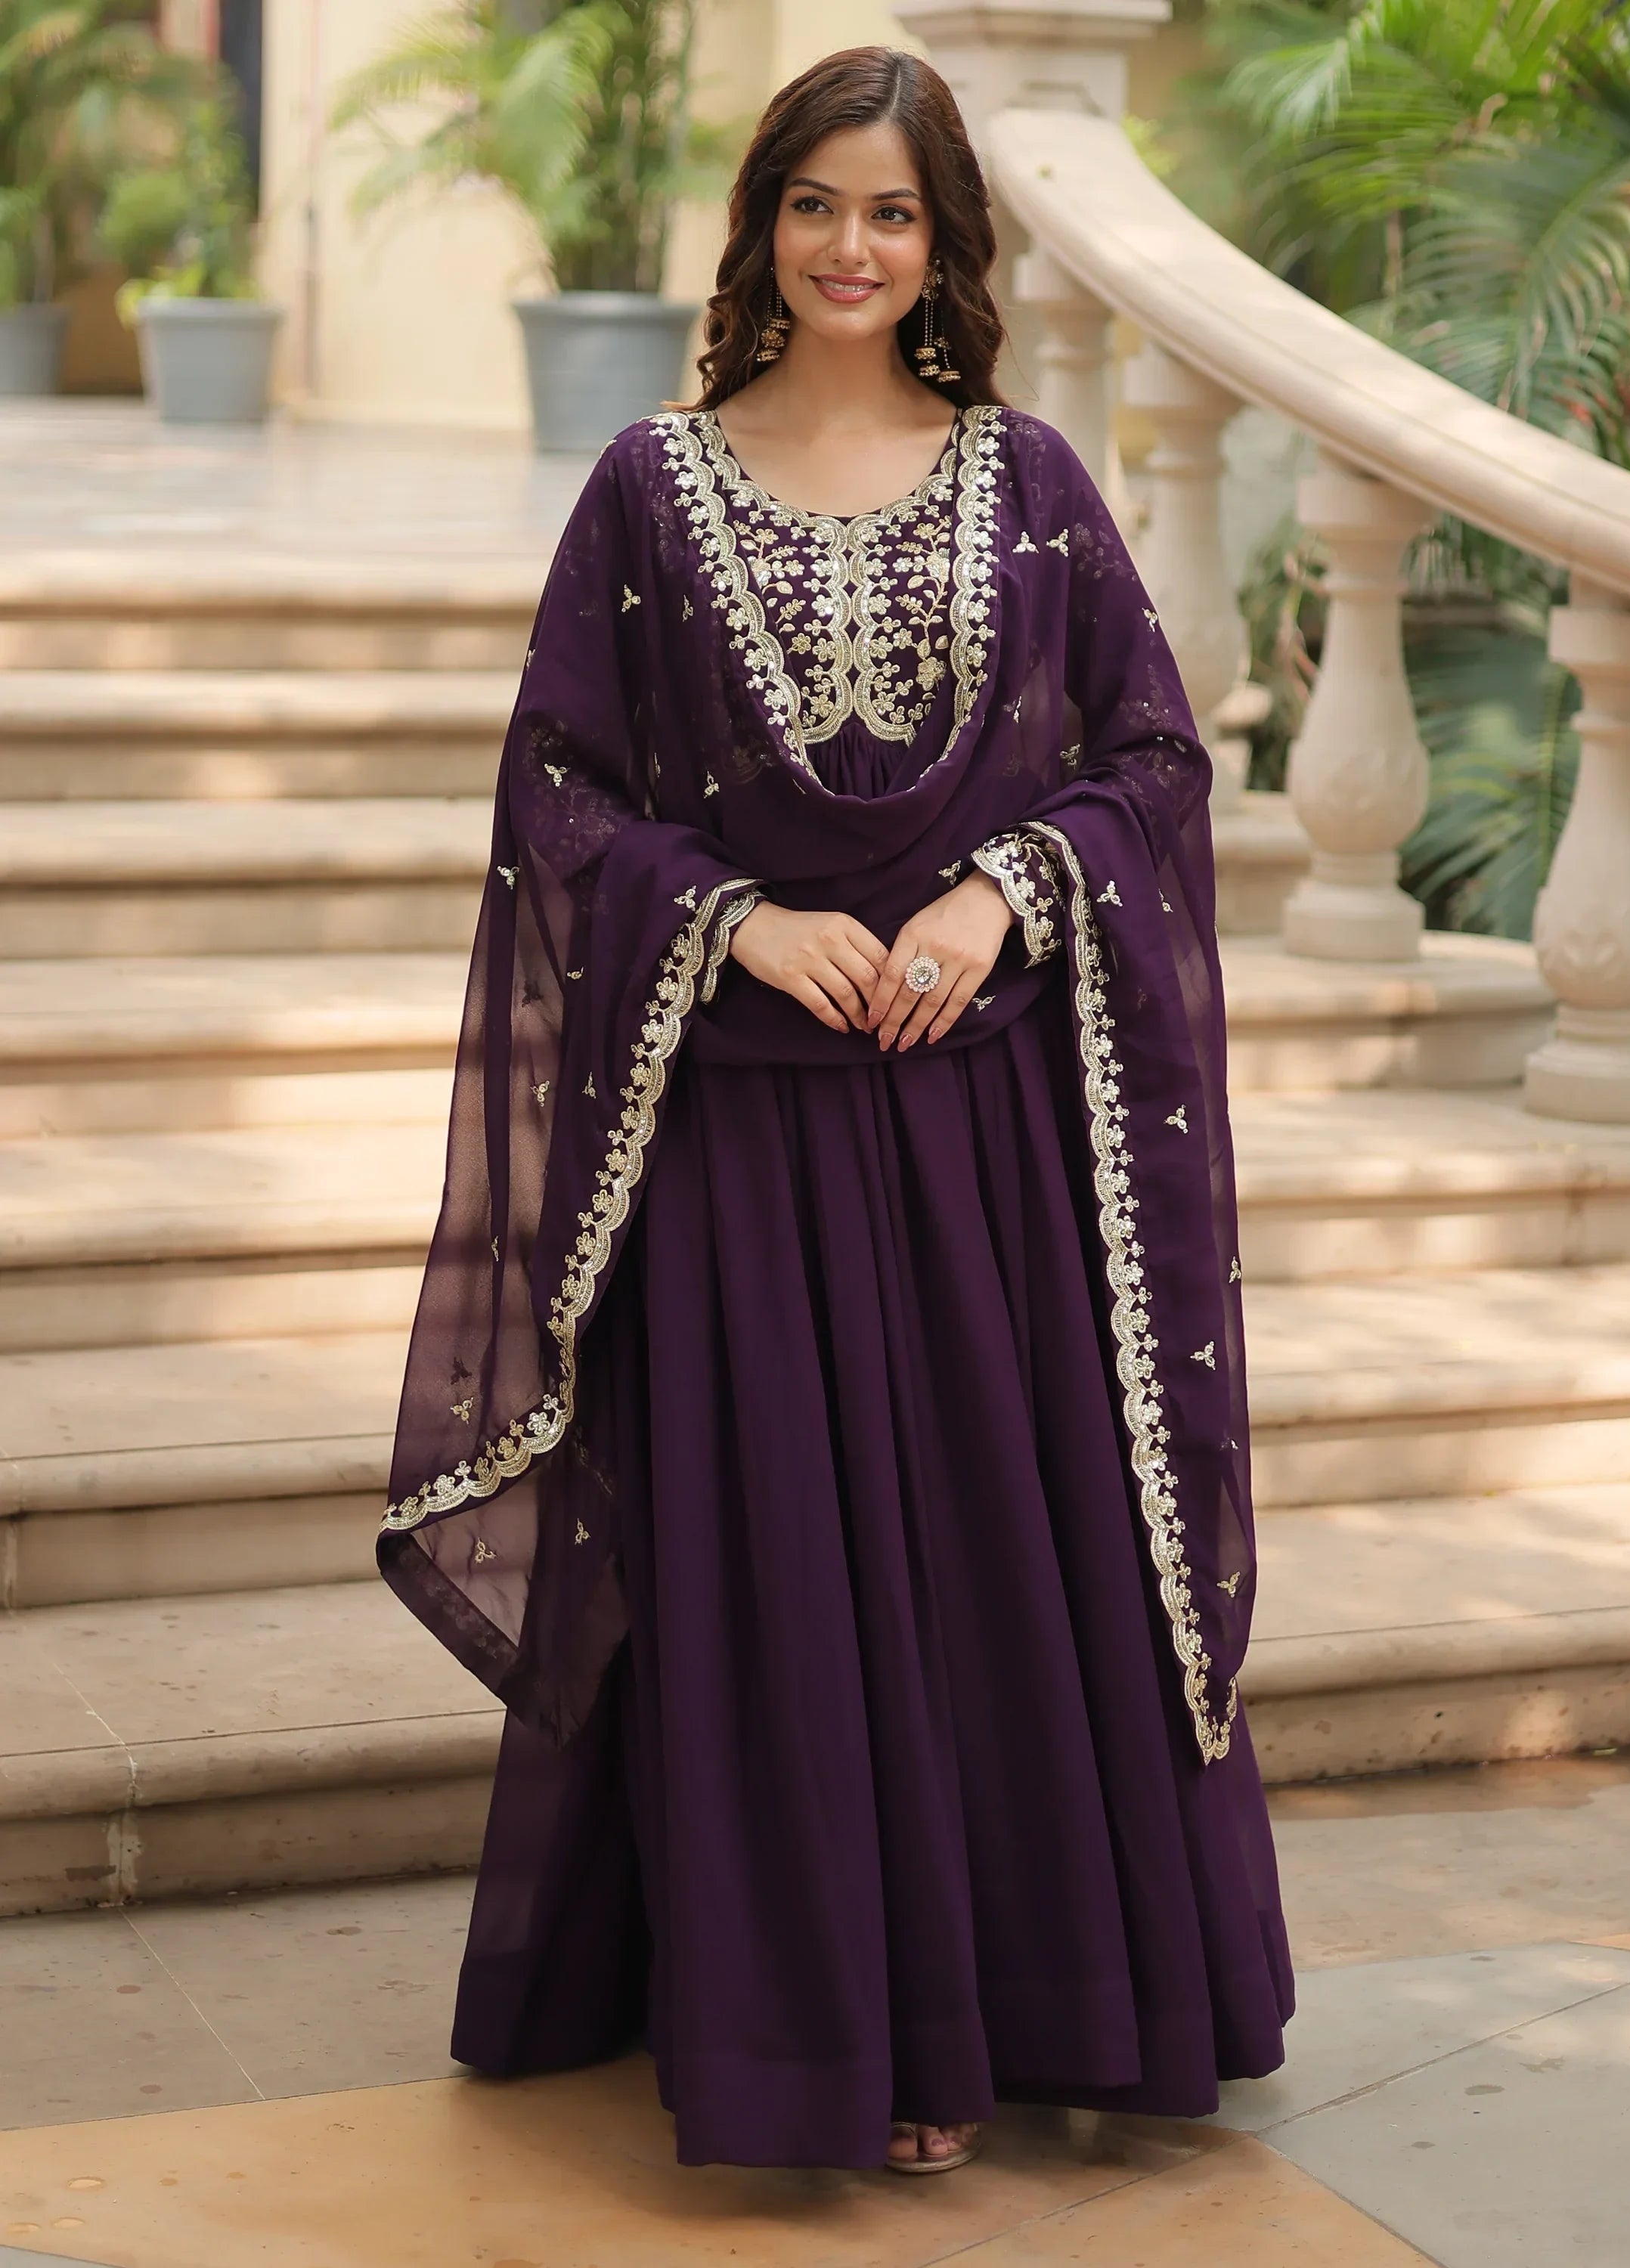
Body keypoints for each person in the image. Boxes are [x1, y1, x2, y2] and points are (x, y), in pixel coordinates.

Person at [378, 44, 1293, 2177]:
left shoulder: (1034, 481)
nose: (852, 249)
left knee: (990, 1556)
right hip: (742, 1142)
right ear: (758, 224)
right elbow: (558, 792)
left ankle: (1014, 2002)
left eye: (891, 213)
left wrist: (1003, 890)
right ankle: (822, 2034)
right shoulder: (647, 485)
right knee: (777, 1574)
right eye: (815, 205)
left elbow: (1152, 763)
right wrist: (725, 922)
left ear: (942, 240)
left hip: (981, 1145)